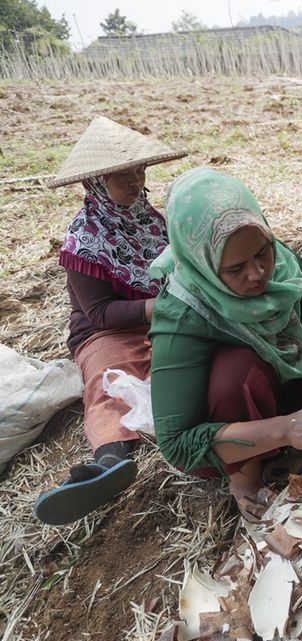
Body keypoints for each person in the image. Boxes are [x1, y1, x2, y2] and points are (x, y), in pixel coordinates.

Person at [148, 168, 302, 520]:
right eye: (235, 268)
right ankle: (246, 480)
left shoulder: (284, 266)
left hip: (282, 391)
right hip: (234, 433)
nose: (257, 274)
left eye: (262, 253)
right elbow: (178, 444)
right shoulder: (182, 313)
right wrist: (285, 429)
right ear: (204, 263)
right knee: (235, 368)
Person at [33, 117, 186, 526]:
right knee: (109, 380)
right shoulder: (84, 239)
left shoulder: (152, 221)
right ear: (97, 181)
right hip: (106, 332)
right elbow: (99, 312)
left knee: (193, 359)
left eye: (140, 170)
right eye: (124, 174)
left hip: (162, 317)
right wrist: (161, 306)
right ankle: (109, 462)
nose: (136, 180)